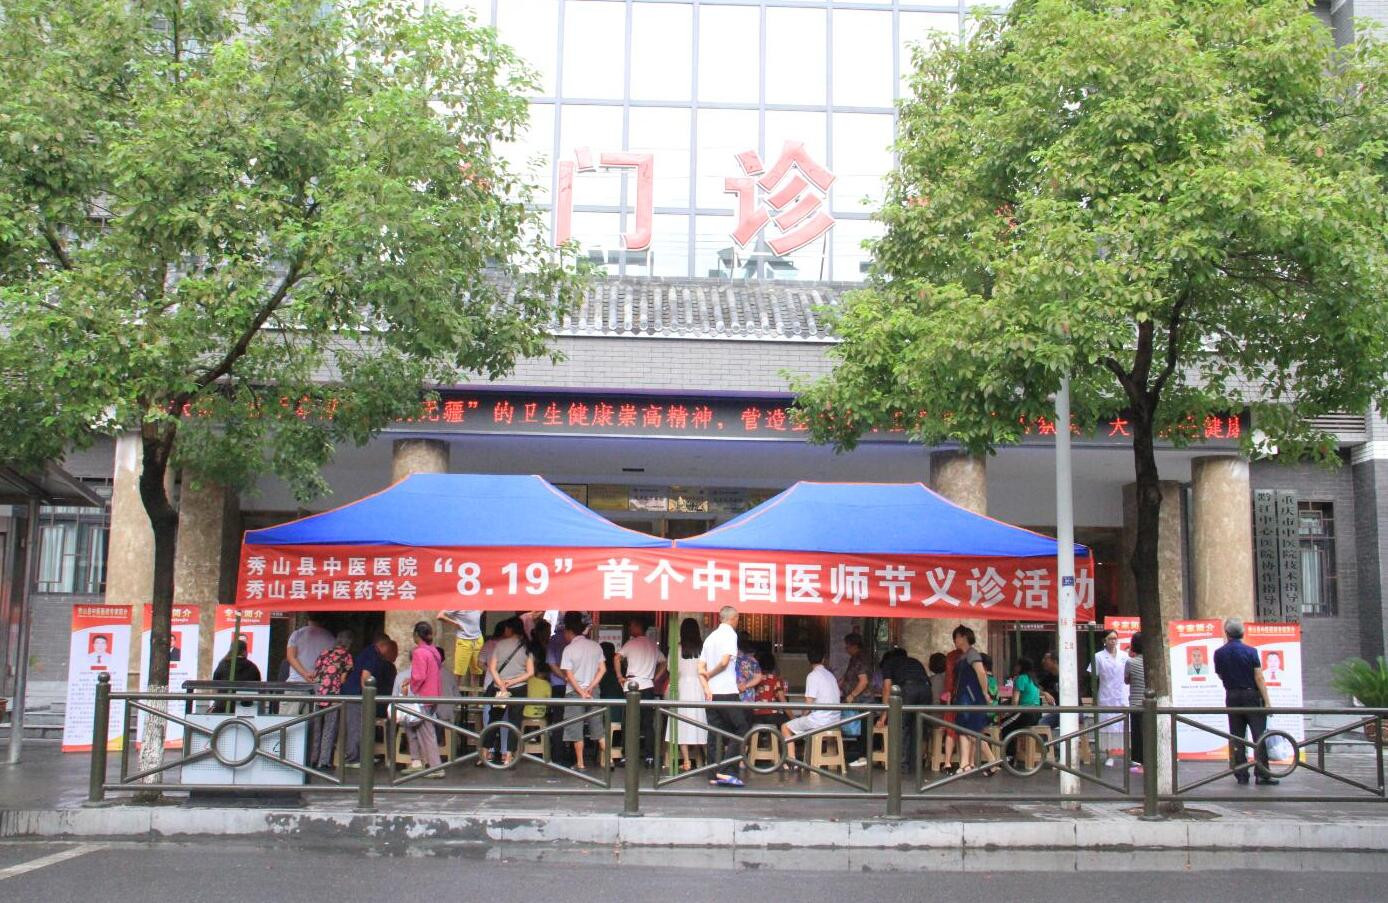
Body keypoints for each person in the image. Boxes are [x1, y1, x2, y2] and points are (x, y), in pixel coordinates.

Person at [1214, 618, 1278, 785]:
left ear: (1227, 633)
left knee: (1237, 736)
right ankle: (1262, 773)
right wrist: (1267, 701)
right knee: (1259, 735)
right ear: (1242, 633)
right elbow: (1259, 677)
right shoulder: (1251, 651)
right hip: (1251, 696)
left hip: (1232, 695)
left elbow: (1220, 675)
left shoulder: (1219, 653)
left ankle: (1241, 774)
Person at [699, 605, 746, 787]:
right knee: (741, 728)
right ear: (733, 618)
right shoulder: (730, 635)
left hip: (712, 693)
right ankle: (727, 770)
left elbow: (700, 668)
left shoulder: (710, 638)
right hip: (727, 691)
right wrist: (711, 674)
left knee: (715, 733)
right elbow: (725, 661)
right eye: (738, 618)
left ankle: (713, 773)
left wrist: (706, 686)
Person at [559, 611, 606, 771]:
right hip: (593, 692)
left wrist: (581, 691)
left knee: (575, 728)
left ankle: (580, 763)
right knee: (597, 726)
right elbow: (602, 669)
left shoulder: (569, 649)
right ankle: (609, 760)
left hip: (574, 693)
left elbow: (569, 674)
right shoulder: (595, 646)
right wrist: (590, 687)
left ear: (569, 631)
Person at [615, 616, 666, 764]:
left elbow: (616, 658)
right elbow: (664, 662)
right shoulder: (652, 645)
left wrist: (619, 676)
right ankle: (649, 756)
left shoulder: (631, 643)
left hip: (632, 685)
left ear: (638, 626)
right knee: (648, 723)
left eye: (631, 625)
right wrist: (655, 677)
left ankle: (628, 755)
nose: (630, 628)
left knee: (630, 722)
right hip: (648, 685)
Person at [485, 617, 533, 767]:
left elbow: (492, 668)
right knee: (515, 722)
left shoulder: (500, 644)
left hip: (500, 690)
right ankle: (509, 757)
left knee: (494, 720)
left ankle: (484, 754)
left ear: (510, 629)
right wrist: (513, 682)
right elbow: (530, 672)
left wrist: (501, 684)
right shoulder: (526, 646)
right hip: (519, 689)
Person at [341, 633, 395, 767]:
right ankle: (352, 759)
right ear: (383, 645)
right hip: (355, 694)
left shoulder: (369, 652)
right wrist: (368, 698)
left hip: (356, 693)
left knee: (362, 725)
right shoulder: (373, 656)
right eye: (388, 647)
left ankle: (363, 756)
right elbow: (365, 677)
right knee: (356, 726)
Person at [781, 647, 841, 766]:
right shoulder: (831, 676)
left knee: (785, 727)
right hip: (835, 720)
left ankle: (792, 762)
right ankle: (823, 762)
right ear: (823, 659)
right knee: (804, 724)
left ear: (809, 661)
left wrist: (801, 716)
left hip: (820, 721)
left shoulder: (812, 676)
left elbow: (809, 704)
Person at [876, 647, 932, 770]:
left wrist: (884, 715)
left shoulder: (889, 663)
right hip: (926, 689)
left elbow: (887, 688)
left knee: (902, 726)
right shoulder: (914, 661)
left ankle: (902, 765)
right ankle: (917, 764)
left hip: (908, 689)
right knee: (919, 726)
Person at [401, 621, 445, 777]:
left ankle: (436, 767)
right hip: (434, 694)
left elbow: (419, 676)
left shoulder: (419, 652)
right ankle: (417, 762)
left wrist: (412, 685)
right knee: (415, 727)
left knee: (426, 732)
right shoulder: (433, 651)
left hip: (424, 696)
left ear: (416, 635)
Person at [309, 630, 354, 770]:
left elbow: (316, 673)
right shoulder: (346, 656)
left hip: (318, 693)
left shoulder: (324, 652)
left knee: (316, 727)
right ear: (349, 643)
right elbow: (343, 679)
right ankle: (324, 761)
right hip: (332, 694)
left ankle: (312, 758)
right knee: (329, 727)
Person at [950, 625, 991, 775]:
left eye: (956, 637)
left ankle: (993, 762)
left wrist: (985, 692)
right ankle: (964, 764)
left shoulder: (973, 654)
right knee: (963, 730)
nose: (955, 640)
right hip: (962, 698)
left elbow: (981, 673)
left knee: (972, 732)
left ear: (963, 637)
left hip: (971, 698)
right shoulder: (963, 656)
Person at [1002, 656, 1050, 766]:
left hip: (1024, 713)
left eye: (1016, 665)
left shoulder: (1020, 679)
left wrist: (1008, 712)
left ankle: (1009, 757)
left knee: (1003, 727)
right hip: (1037, 714)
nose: (1015, 667)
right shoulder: (1033, 680)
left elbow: (1015, 701)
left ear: (1021, 666)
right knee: (1011, 726)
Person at [1089, 630, 1128, 765]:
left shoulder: (1124, 656)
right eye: (1110, 638)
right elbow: (1092, 675)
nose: (1113, 641)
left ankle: (1128, 755)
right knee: (1108, 726)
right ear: (1104, 641)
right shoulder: (1098, 656)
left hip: (1122, 693)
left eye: (1115, 638)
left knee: (1125, 725)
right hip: (1106, 694)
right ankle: (1109, 755)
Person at [674, 617, 708, 772]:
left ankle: (687, 761)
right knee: (702, 722)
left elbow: (672, 670)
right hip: (700, 686)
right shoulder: (703, 648)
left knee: (682, 723)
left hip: (683, 687)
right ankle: (708, 759)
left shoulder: (677, 649)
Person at [283, 614, 334, 715]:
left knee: (287, 719)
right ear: (324, 621)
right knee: (309, 721)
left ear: (308, 619)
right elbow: (331, 663)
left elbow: (291, 656)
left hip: (295, 683)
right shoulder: (330, 637)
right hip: (317, 686)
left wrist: (305, 674)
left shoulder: (297, 634)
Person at [840, 632, 872, 767]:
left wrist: (852, 695)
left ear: (854, 646)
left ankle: (864, 756)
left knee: (863, 729)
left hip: (862, 701)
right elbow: (847, 677)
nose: (846, 649)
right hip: (857, 701)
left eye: (847, 646)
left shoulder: (860, 659)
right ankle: (861, 755)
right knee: (860, 728)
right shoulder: (854, 659)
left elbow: (863, 681)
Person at [437, 609, 484, 691]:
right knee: (459, 673)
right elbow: (440, 616)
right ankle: (455, 695)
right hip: (464, 640)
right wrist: (455, 623)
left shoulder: (476, 602)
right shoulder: (457, 604)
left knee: (477, 672)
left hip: (478, 638)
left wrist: (478, 613)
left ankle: (474, 696)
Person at [211, 639, 262, 713]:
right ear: (244, 652)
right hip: (246, 708)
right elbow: (258, 687)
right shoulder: (253, 667)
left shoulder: (223, 664)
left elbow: (215, 684)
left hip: (223, 706)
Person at [1125, 632, 1146, 773]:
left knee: (1138, 735)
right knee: (1149, 734)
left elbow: (1126, 680)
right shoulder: (1151, 662)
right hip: (1151, 704)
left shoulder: (1130, 662)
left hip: (1136, 704)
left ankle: (1141, 764)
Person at [751, 651, 788, 728]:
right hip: (772, 716)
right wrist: (792, 717)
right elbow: (783, 701)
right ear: (773, 665)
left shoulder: (754, 680)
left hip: (755, 716)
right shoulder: (776, 680)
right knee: (786, 721)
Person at [1037, 651, 1061, 729]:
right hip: (1058, 711)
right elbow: (1036, 690)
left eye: (1046, 659)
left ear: (1055, 661)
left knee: (1041, 723)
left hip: (1073, 711)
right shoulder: (1048, 677)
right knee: (1039, 723)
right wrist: (1045, 693)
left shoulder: (1066, 674)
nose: (1043, 661)